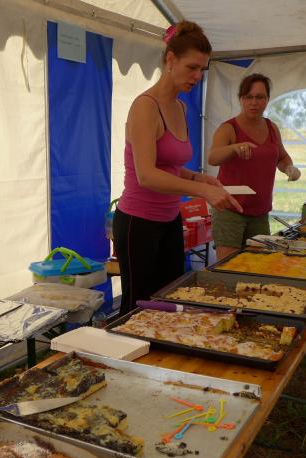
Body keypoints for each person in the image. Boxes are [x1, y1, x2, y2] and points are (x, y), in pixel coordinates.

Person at [113, 21, 242, 315]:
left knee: (170, 301)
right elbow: (147, 174)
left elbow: (169, 166)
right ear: (170, 59)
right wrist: (200, 190)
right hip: (138, 223)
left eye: (202, 69)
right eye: (192, 67)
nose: (197, 76)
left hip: (169, 220)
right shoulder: (145, 106)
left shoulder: (181, 107)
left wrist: (198, 178)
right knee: (137, 309)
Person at [207, 73, 300, 259]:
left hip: (260, 212)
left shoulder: (272, 128)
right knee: (228, 267)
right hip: (230, 211)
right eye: (248, 97)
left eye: (260, 97)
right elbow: (212, 158)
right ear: (240, 99)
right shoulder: (228, 128)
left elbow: (281, 157)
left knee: (258, 265)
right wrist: (234, 148)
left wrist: (289, 168)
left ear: (267, 99)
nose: (254, 103)